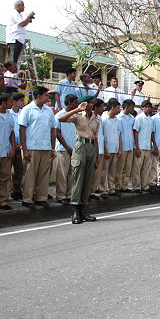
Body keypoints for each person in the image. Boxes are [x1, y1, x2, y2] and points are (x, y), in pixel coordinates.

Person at [58, 95, 100, 224]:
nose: (91, 105)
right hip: (80, 146)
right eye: (88, 103)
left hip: (91, 147)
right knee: (78, 179)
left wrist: (97, 156)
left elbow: (96, 138)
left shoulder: (96, 119)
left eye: (92, 102)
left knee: (87, 180)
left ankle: (83, 209)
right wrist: (77, 109)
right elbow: (61, 119)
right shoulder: (78, 116)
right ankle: (75, 210)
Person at [18, 86, 56, 210]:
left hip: (45, 147)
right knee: (30, 174)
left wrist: (52, 148)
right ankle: (27, 199)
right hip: (32, 147)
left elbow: (53, 130)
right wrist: (25, 149)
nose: (47, 98)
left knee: (43, 175)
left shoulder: (49, 111)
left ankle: (41, 198)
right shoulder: (27, 109)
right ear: (38, 96)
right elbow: (22, 130)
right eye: (46, 95)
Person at [54, 94, 79, 205]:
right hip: (63, 148)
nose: (77, 105)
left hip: (74, 147)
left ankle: (70, 194)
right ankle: (61, 195)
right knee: (62, 173)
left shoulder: (75, 116)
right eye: (75, 103)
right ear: (69, 103)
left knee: (72, 173)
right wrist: (67, 147)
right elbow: (57, 133)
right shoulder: (59, 115)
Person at [132, 100, 157, 194]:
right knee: (137, 168)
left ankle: (145, 185)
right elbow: (136, 132)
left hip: (148, 146)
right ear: (142, 108)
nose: (147, 108)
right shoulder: (139, 118)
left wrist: (153, 145)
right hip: (140, 146)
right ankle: (136, 186)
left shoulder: (151, 119)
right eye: (146, 106)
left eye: (149, 107)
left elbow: (152, 133)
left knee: (146, 168)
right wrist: (137, 147)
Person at [100, 99, 123, 197]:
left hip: (115, 148)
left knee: (113, 171)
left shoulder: (118, 120)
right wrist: (105, 149)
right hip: (107, 149)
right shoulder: (103, 119)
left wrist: (120, 149)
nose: (119, 110)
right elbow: (101, 136)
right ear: (112, 107)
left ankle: (111, 188)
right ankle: (103, 189)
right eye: (118, 108)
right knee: (104, 170)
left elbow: (119, 135)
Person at [115, 99, 136, 193]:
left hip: (130, 146)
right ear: (127, 107)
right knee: (119, 168)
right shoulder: (119, 118)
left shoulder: (132, 118)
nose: (133, 109)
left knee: (127, 168)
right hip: (122, 146)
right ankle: (117, 186)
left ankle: (124, 186)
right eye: (131, 107)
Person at [9, 92, 25, 200]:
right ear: (14, 102)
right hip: (9, 145)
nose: (23, 103)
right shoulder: (8, 113)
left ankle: (16, 190)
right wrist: (13, 143)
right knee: (6, 170)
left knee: (19, 170)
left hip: (20, 146)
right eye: (21, 101)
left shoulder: (22, 113)